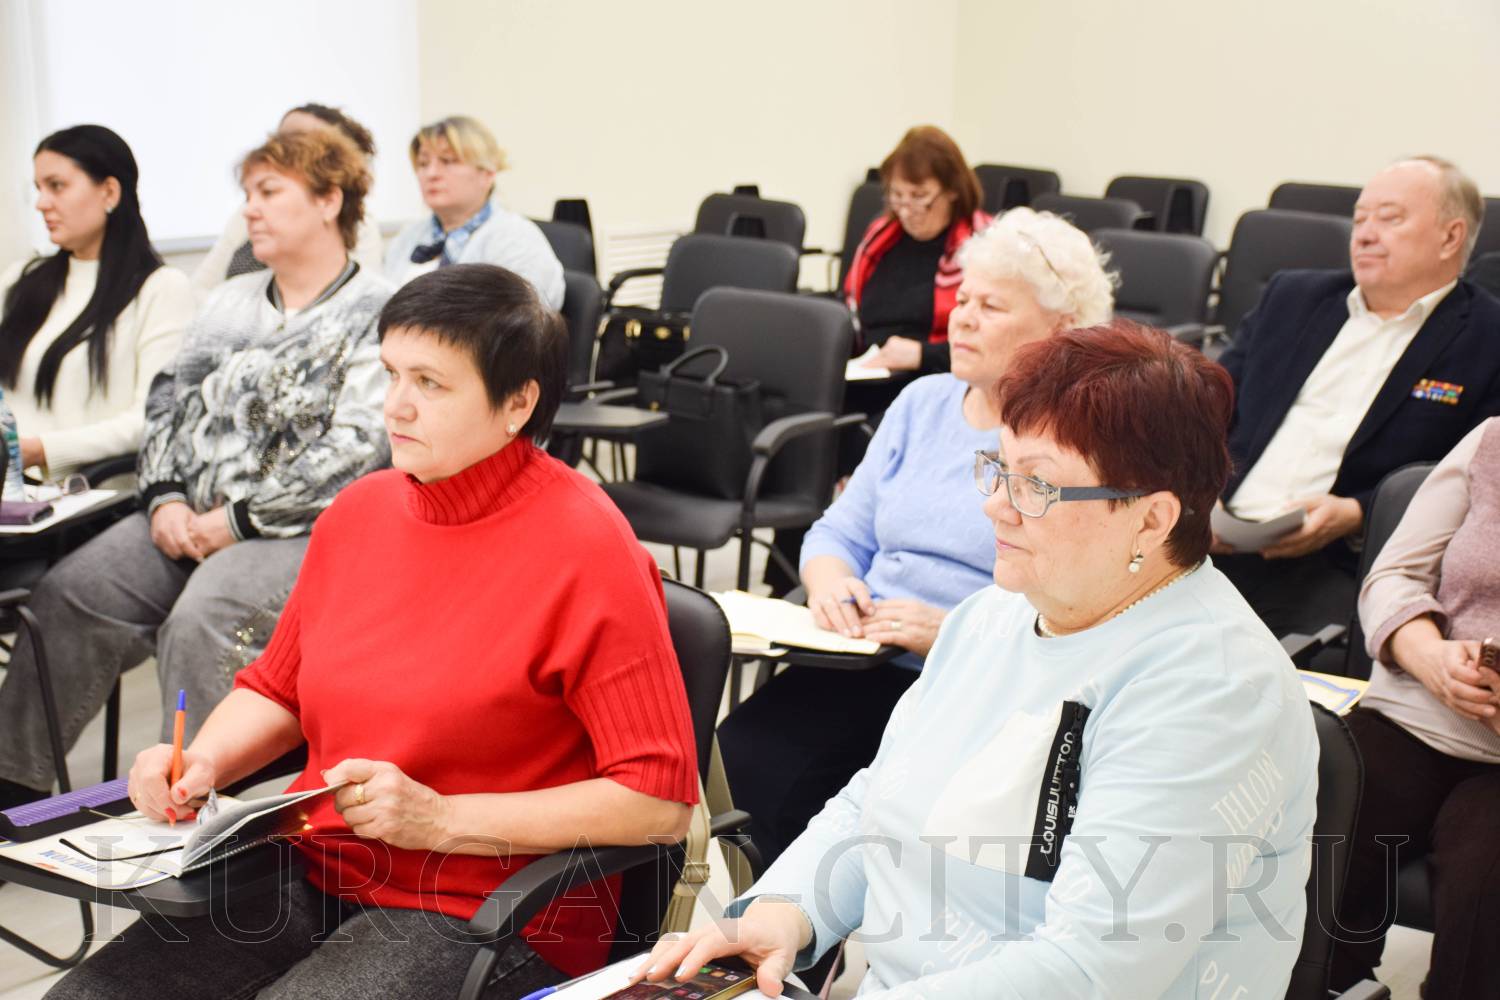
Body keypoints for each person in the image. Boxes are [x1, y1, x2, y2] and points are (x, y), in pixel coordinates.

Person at [45, 264, 699, 1000]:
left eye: (430, 384)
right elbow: (279, 690)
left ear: (517, 403)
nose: (395, 406)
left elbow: (658, 804)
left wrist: (442, 820)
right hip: (323, 864)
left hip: (488, 904)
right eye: (390, 373)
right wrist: (202, 761)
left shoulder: (588, 549)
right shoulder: (360, 512)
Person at [641, 322, 1319, 999]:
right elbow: (877, 801)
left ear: (1151, 519)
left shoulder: (1214, 689)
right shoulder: (991, 616)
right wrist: (785, 910)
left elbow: (1094, 970)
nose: (994, 505)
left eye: (1037, 486)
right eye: (999, 467)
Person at [0, 128, 392, 809]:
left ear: (330, 201)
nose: (250, 210)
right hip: (187, 518)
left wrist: (234, 522)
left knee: (200, 620)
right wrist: (164, 498)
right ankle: (12, 788)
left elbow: (356, 451)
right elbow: (166, 405)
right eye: (247, 194)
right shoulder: (231, 301)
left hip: (299, 532)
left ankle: (191, 815)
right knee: (70, 595)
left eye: (269, 192)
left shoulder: (377, 309)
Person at [723, 207, 1117, 872]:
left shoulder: (1073, 443)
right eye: (962, 300)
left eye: (991, 307)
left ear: (1061, 328)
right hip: (860, 656)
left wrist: (950, 633)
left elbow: (1079, 605)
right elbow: (838, 531)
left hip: (975, 680)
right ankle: (771, 923)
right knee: (737, 756)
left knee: (847, 807)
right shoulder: (922, 402)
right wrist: (830, 584)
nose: (962, 319)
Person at [1215, 155, 1500, 637]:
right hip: (1213, 532)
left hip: (1341, 563)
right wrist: (1197, 495)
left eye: (1389, 219)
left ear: (1450, 237)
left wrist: (1357, 515)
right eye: (1360, 219)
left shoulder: (1487, 338)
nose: (1364, 234)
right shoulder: (1292, 297)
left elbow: (1476, 479)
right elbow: (1206, 405)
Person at [1330, 417, 1500, 998]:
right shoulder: (1491, 442)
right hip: (1413, 711)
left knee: (1484, 889)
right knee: (1317, 818)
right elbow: (1394, 575)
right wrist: (1428, 656)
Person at [0, 125, 193, 477]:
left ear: (109, 192)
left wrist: (41, 450)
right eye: (39, 189)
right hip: (13, 485)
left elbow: (150, 417)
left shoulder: (161, 289)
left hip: (89, 493)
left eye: (57, 186)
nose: (42, 203)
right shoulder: (21, 279)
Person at [190, 103, 385, 295]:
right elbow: (201, 287)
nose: (286, 149)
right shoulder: (248, 213)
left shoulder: (363, 230)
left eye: (301, 141)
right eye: (281, 138)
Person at [384, 115, 564, 309]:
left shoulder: (517, 241)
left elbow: (527, 319)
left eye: (448, 161)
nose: (431, 173)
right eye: (423, 163)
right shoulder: (407, 237)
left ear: (488, 173)